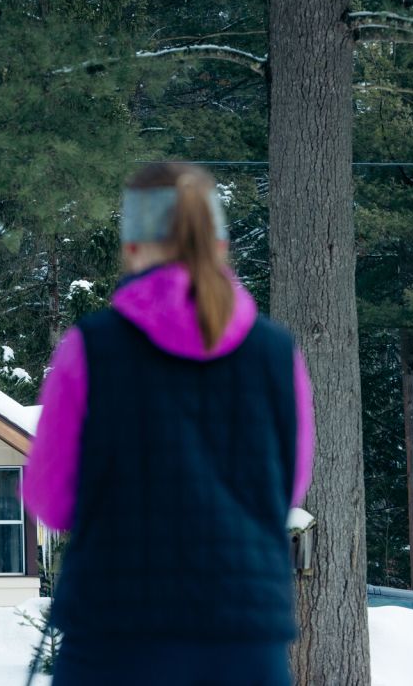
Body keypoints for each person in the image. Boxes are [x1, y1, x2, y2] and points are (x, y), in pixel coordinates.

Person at [22, 162, 315, 686]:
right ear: (219, 244)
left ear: (133, 247)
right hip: (245, 638)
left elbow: (52, 499)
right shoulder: (276, 354)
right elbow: (287, 486)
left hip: (116, 634)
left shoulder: (91, 349)